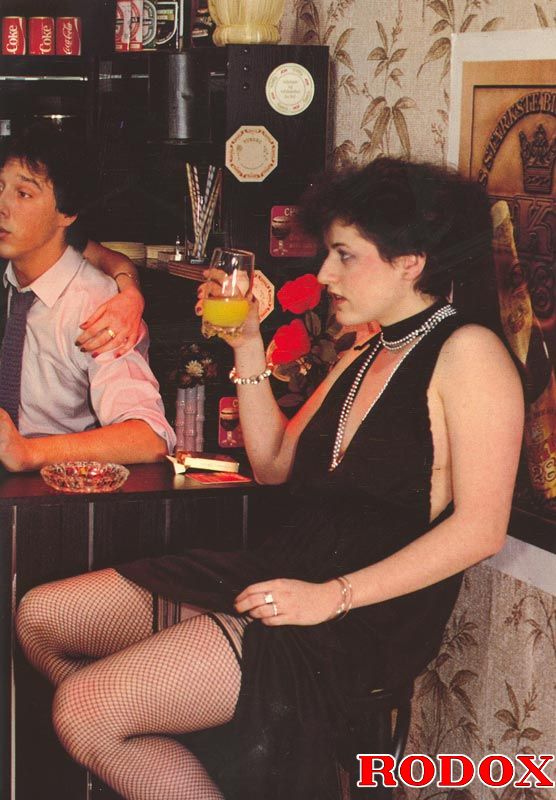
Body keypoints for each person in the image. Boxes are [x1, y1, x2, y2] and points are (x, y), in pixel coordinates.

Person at [15, 157, 524, 800]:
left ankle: (148, 734)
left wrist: (331, 597)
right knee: (40, 618)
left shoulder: (469, 353)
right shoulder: (369, 348)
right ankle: (178, 751)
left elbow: (481, 530)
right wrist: (248, 343)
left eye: (345, 255)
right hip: (283, 569)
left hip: (356, 618)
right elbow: (273, 463)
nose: (325, 273)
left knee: (84, 710)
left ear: (410, 262)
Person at [0, 123, 175, 471]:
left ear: (66, 214)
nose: (2, 206)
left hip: (55, 489)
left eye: (23, 194)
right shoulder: (10, 276)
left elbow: (149, 436)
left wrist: (29, 453)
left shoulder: (96, 305)